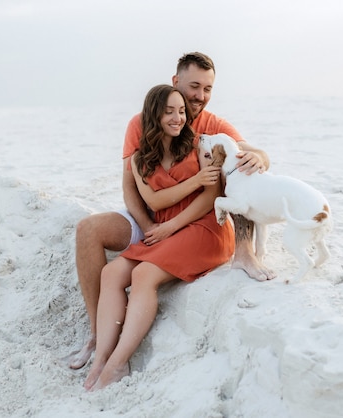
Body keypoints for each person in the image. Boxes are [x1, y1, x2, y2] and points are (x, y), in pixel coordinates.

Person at [70, 52, 272, 370]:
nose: (199, 96)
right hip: (149, 218)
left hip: (190, 223)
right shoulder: (139, 125)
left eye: (207, 89)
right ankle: (97, 336)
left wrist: (261, 157)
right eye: (194, 86)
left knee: (143, 273)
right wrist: (150, 227)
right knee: (88, 230)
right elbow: (132, 188)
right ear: (175, 82)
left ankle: (246, 250)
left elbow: (248, 154)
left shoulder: (211, 127)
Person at [84, 84, 234, 390]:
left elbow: (211, 197)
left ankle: (117, 364)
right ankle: (100, 358)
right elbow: (154, 202)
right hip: (168, 227)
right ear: (154, 115)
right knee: (112, 272)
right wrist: (192, 182)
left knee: (143, 274)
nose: (179, 118)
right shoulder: (141, 158)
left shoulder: (197, 145)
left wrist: (172, 225)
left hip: (204, 227)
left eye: (181, 111)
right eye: (170, 112)